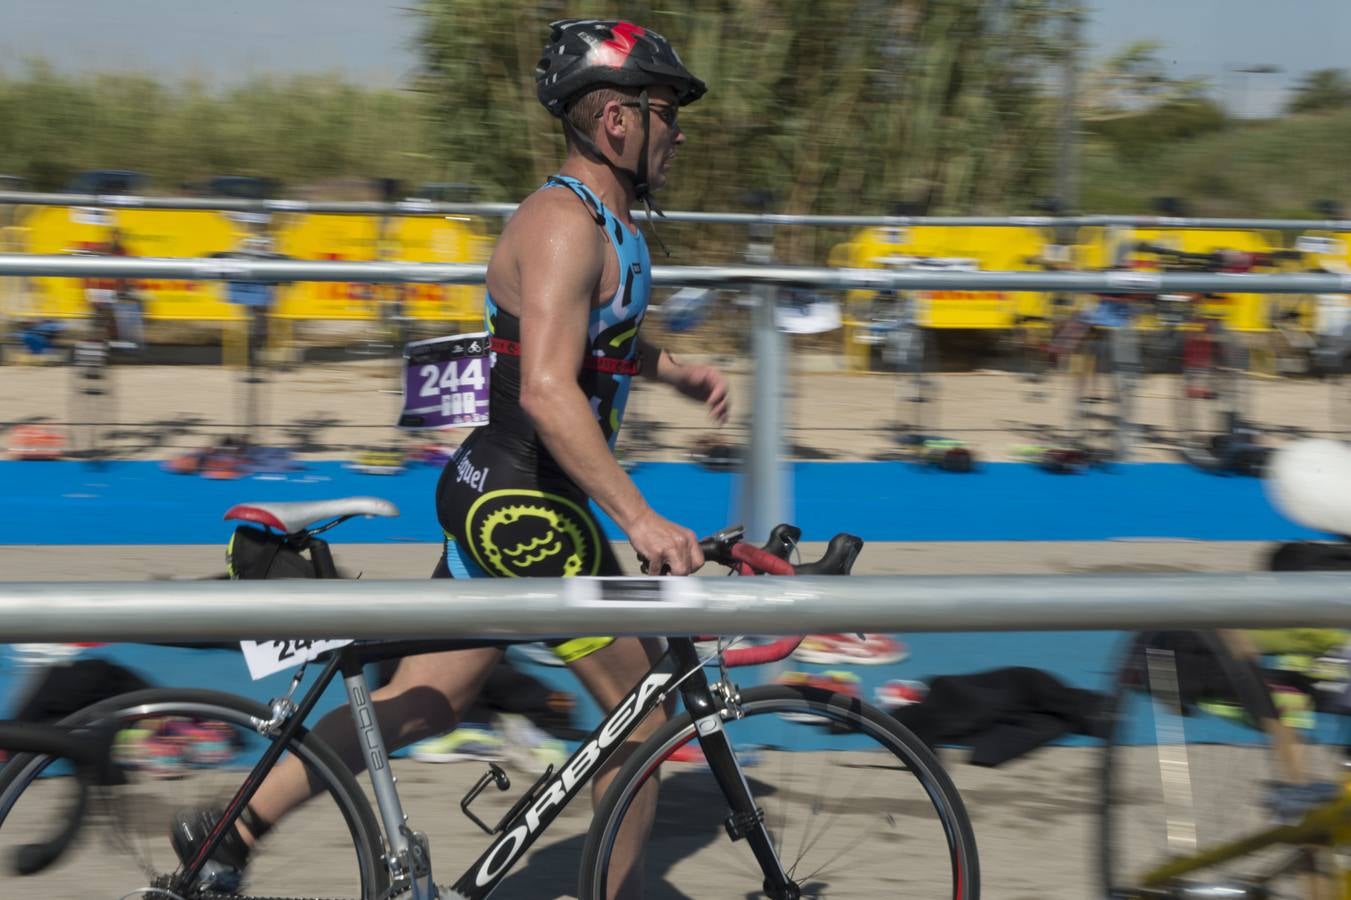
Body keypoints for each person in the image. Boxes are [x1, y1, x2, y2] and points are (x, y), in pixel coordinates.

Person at [171, 18, 728, 894]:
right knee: (647, 722)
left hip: (515, 493)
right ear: (616, 121)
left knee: (430, 700)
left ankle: (229, 828)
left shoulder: (607, 226)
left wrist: (674, 371)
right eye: (665, 110)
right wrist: (642, 517)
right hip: (522, 504)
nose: (680, 130)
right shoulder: (561, 224)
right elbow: (547, 391)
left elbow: (592, 339)